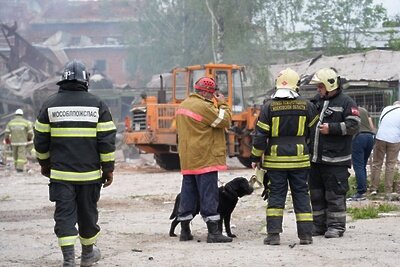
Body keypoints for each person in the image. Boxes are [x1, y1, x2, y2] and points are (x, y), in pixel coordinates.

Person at [34, 60, 116, 266]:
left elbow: (40, 140)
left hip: (61, 176)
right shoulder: (97, 104)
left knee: (65, 216)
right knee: (88, 214)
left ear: (63, 80)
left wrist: (44, 164)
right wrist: (108, 169)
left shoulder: (50, 104)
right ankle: (87, 255)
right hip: (89, 176)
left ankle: (68, 260)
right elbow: (106, 141)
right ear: (85, 81)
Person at [250, 68, 319, 246]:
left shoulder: (268, 107)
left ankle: (273, 235)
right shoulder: (307, 106)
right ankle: (306, 235)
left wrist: (255, 157)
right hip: (300, 160)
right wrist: (308, 151)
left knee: (276, 196)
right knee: (302, 195)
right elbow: (315, 132)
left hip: (275, 162)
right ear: (296, 85)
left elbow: (260, 136)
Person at [175, 76, 233, 243]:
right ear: (208, 93)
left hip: (188, 158)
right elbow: (224, 120)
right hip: (205, 157)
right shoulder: (203, 106)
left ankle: (184, 231)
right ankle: (213, 233)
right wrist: (222, 103)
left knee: (188, 193)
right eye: (213, 94)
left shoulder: (184, 104)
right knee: (209, 194)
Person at [308, 68, 360, 238]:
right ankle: (318, 226)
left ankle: (336, 226)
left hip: (336, 160)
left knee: (334, 195)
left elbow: (354, 126)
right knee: (316, 195)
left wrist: (332, 128)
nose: (318, 89)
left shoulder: (346, 102)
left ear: (330, 85)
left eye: (320, 86)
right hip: (315, 160)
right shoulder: (316, 101)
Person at [369, 101, 400, 195]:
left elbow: (379, 124)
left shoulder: (386, 109)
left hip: (381, 137)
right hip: (394, 139)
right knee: (390, 165)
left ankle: (374, 189)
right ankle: (388, 190)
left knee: (377, 163)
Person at [349, 107, 375, 201]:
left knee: (358, 166)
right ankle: (364, 187)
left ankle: (361, 191)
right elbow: (372, 126)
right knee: (363, 164)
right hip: (369, 137)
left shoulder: (349, 109)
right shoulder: (364, 110)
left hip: (358, 137)